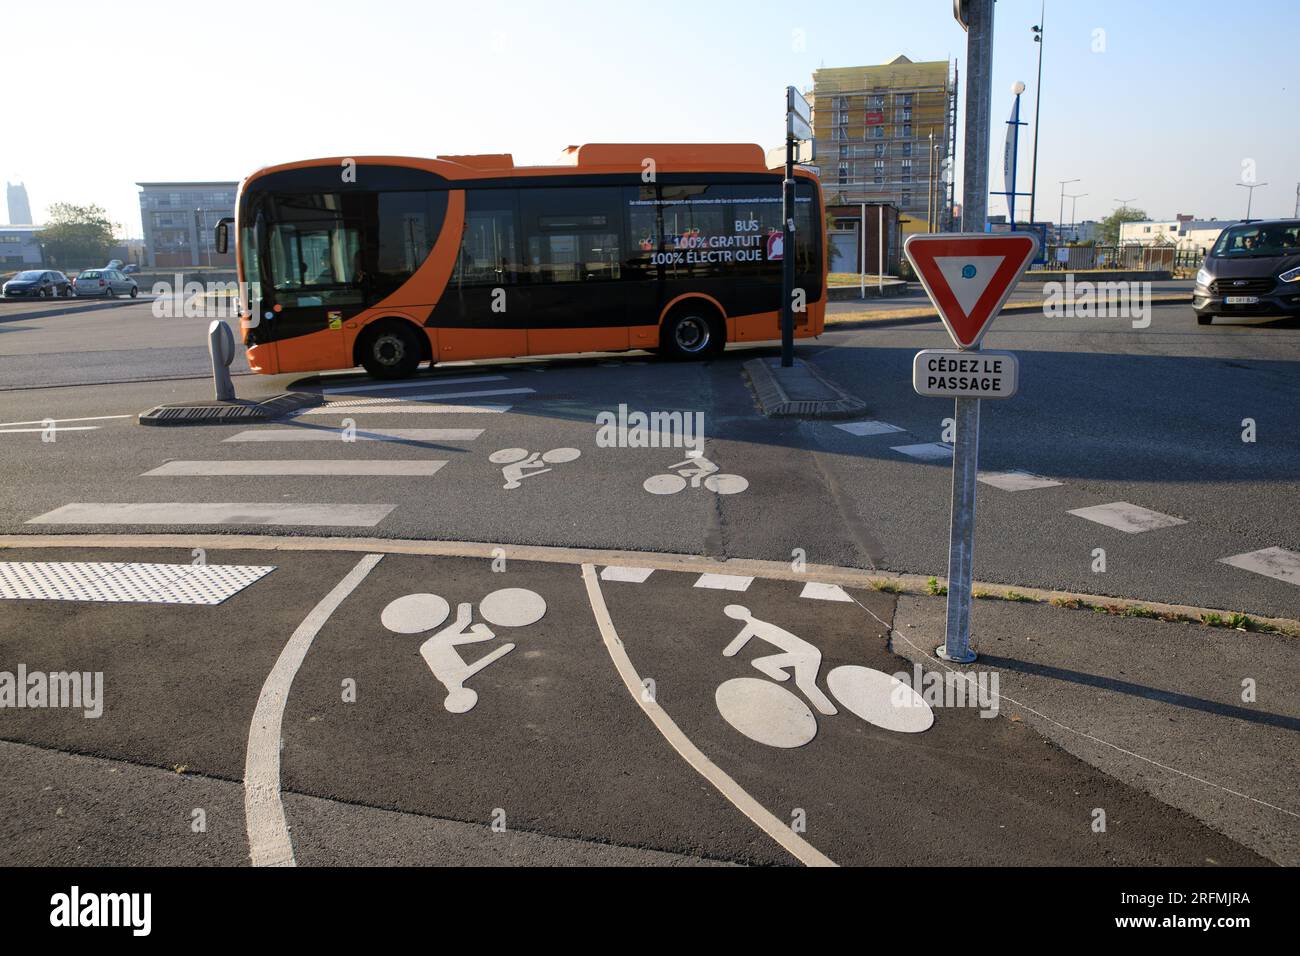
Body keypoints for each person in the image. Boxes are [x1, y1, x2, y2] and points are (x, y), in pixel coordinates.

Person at [721, 605, 837, 716]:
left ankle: (782, 676)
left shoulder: (752, 627)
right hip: (811, 652)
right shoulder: (762, 624)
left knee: (760, 663)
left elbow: (730, 650)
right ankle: (828, 708)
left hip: (804, 655)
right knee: (805, 683)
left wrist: (728, 650)